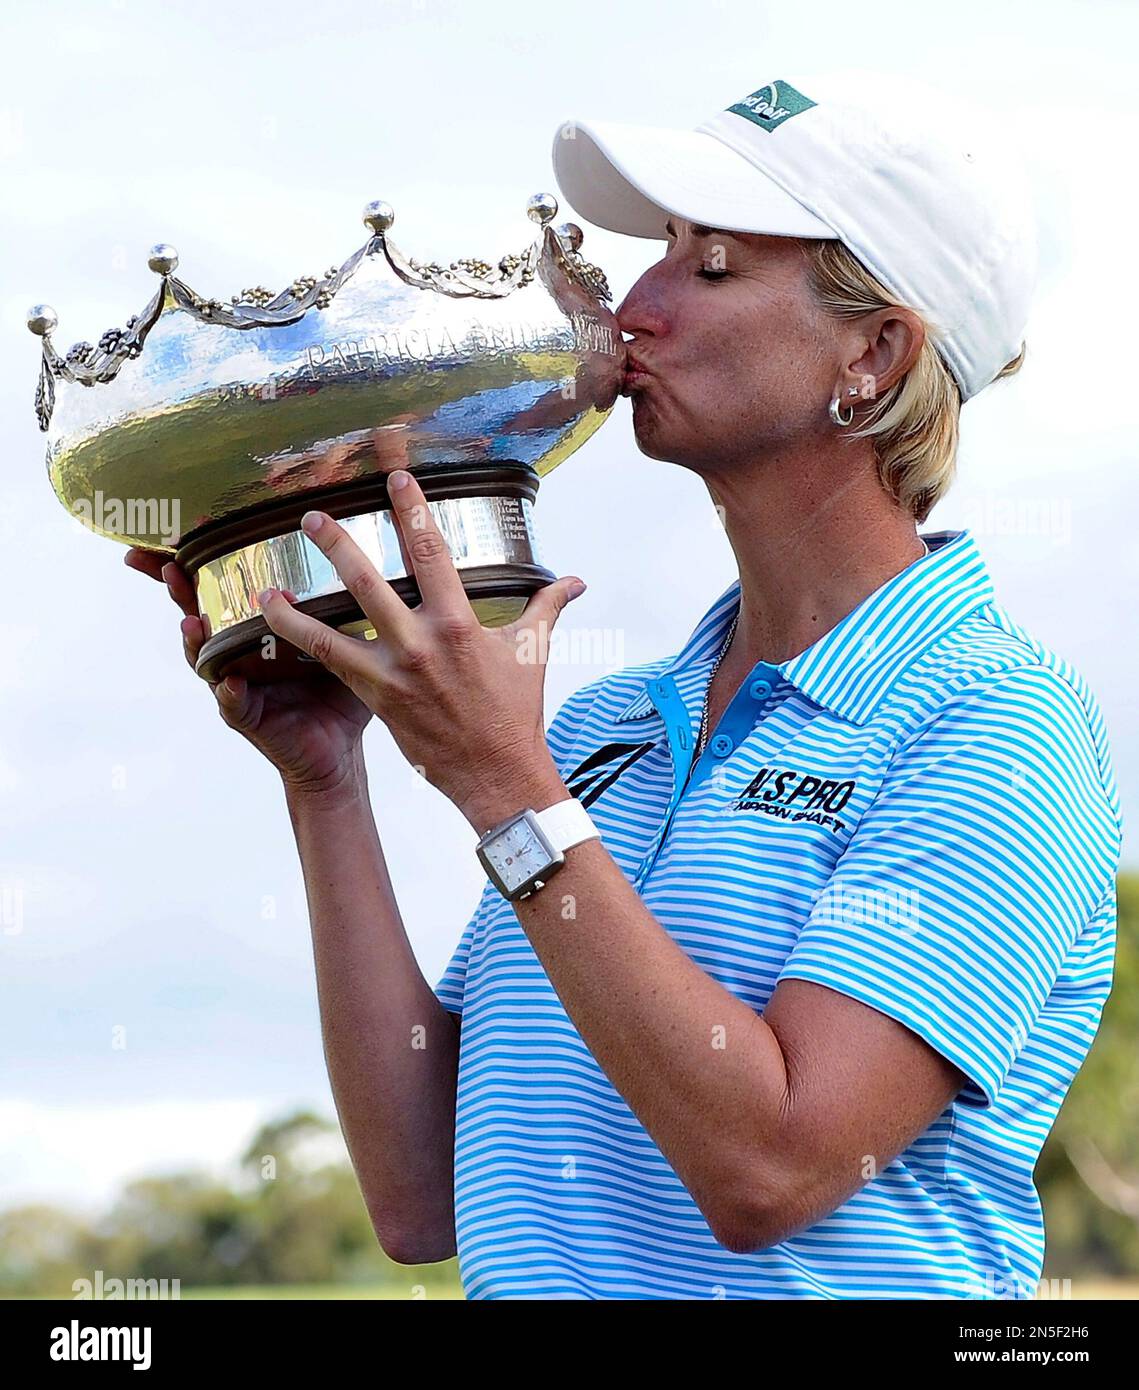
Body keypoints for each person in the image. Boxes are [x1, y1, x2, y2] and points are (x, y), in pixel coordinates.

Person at [128, 70, 1122, 1299]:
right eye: (657, 253)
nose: (631, 307)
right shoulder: (608, 725)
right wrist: (326, 777)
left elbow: (770, 1166)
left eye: (710, 268)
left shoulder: (993, 723)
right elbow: (418, 1192)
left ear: (871, 353)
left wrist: (505, 789)